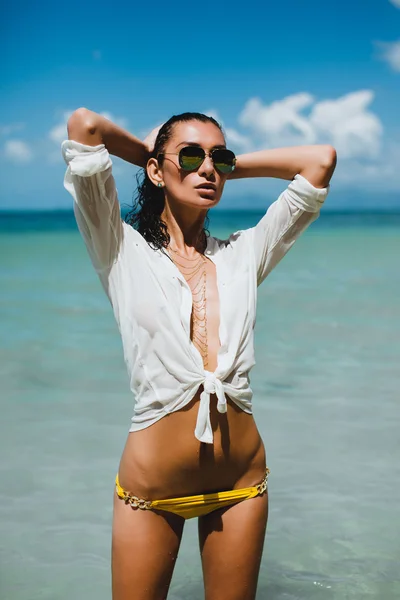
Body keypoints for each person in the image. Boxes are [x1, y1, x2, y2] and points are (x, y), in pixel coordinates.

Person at [62, 108, 336, 600]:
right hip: (151, 494)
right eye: (190, 156)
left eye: (220, 159)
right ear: (155, 168)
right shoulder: (120, 249)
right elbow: (85, 127)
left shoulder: (244, 254)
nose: (208, 170)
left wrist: (210, 165)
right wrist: (154, 156)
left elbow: (319, 160)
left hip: (241, 488)